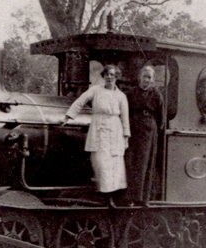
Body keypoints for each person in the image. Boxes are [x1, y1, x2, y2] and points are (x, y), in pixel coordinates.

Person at [63, 64, 130, 201]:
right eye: (107, 74)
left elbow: (125, 117)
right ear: (103, 76)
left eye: (112, 75)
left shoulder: (121, 96)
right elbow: (80, 101)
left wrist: (126, 137)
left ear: (116, 77)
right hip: (99, 129)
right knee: (100, 161)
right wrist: (68, 116)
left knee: (114, 163)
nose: (109, 77)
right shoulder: (95, 90)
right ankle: (102, 193)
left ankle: (113, 196)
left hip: (115, 130)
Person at [124, 65, 163, 205]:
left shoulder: (156, 94)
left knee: (146, 163)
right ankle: (130, 198)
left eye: (149, 77)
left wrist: (152, 129)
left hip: (148, 131)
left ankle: (144, 198)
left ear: (152, 80)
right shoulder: (131, 93)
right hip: (133, 129)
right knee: (132, 163)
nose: (146, 79)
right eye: (144, 76)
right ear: (140, 77)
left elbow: (160, 116)